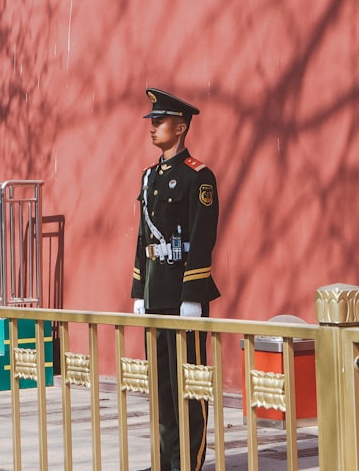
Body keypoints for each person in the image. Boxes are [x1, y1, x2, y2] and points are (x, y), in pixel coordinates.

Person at [131, 87, 220, 471]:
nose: (152, 127)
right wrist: (138, 290)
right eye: (152, 120)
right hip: (155, 292)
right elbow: (142, 237)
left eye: (160, 121)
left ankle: (189, 462)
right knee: (162, 386)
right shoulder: (149, 177)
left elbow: (202, 238)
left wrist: (193, 295)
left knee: (189, 386)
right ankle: (166, 462)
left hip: (183, 293)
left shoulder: (198, 176)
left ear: (180, 128)